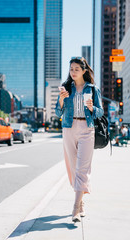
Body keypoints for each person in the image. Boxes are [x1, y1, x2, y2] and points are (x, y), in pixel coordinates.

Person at [55, 57, 104, 223]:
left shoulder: (92, 88)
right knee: (74, 169)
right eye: (71, 69)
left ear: (84, 70)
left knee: (82, 169)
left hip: (87, 129)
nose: (73, 72)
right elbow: (57, 112)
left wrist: (92, 108)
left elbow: (100, 112)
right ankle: (81, 202)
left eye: (76, 69)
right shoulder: (66, 88)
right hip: (69, 128)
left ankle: (75, 208)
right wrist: (61, 99)